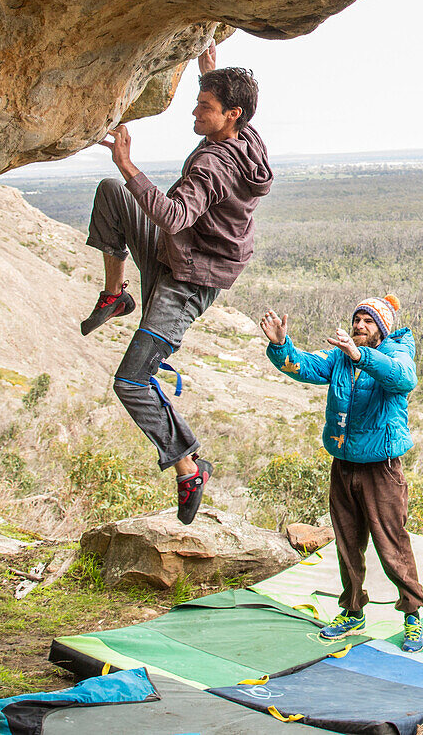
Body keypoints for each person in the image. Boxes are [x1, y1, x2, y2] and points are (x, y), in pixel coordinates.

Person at [81, 41, 272, 524]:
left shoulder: (214, 166)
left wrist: (127, 163)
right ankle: (115, 295)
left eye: (203, 107)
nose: (194, 112)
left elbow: (172, 213)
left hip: (187, 280)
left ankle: (189, 466)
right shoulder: (246, 136)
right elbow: (222, 101)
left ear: (232, 114)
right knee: (111, 196)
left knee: (131, 381)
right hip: (178, 253)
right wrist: (209, 69)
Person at [259, 295, 423, 652]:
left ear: (381, 328)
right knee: (348, 542)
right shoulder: (339, 358)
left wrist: (360, 355)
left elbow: (402, 379)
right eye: (357, 320)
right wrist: (279, 345)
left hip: (381, 467)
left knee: (391, 543)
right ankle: (352, 610)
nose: (359, 326)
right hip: (343, 463)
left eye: (368, 322)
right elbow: (303, 366)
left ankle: (412, 615)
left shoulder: (395, 354)